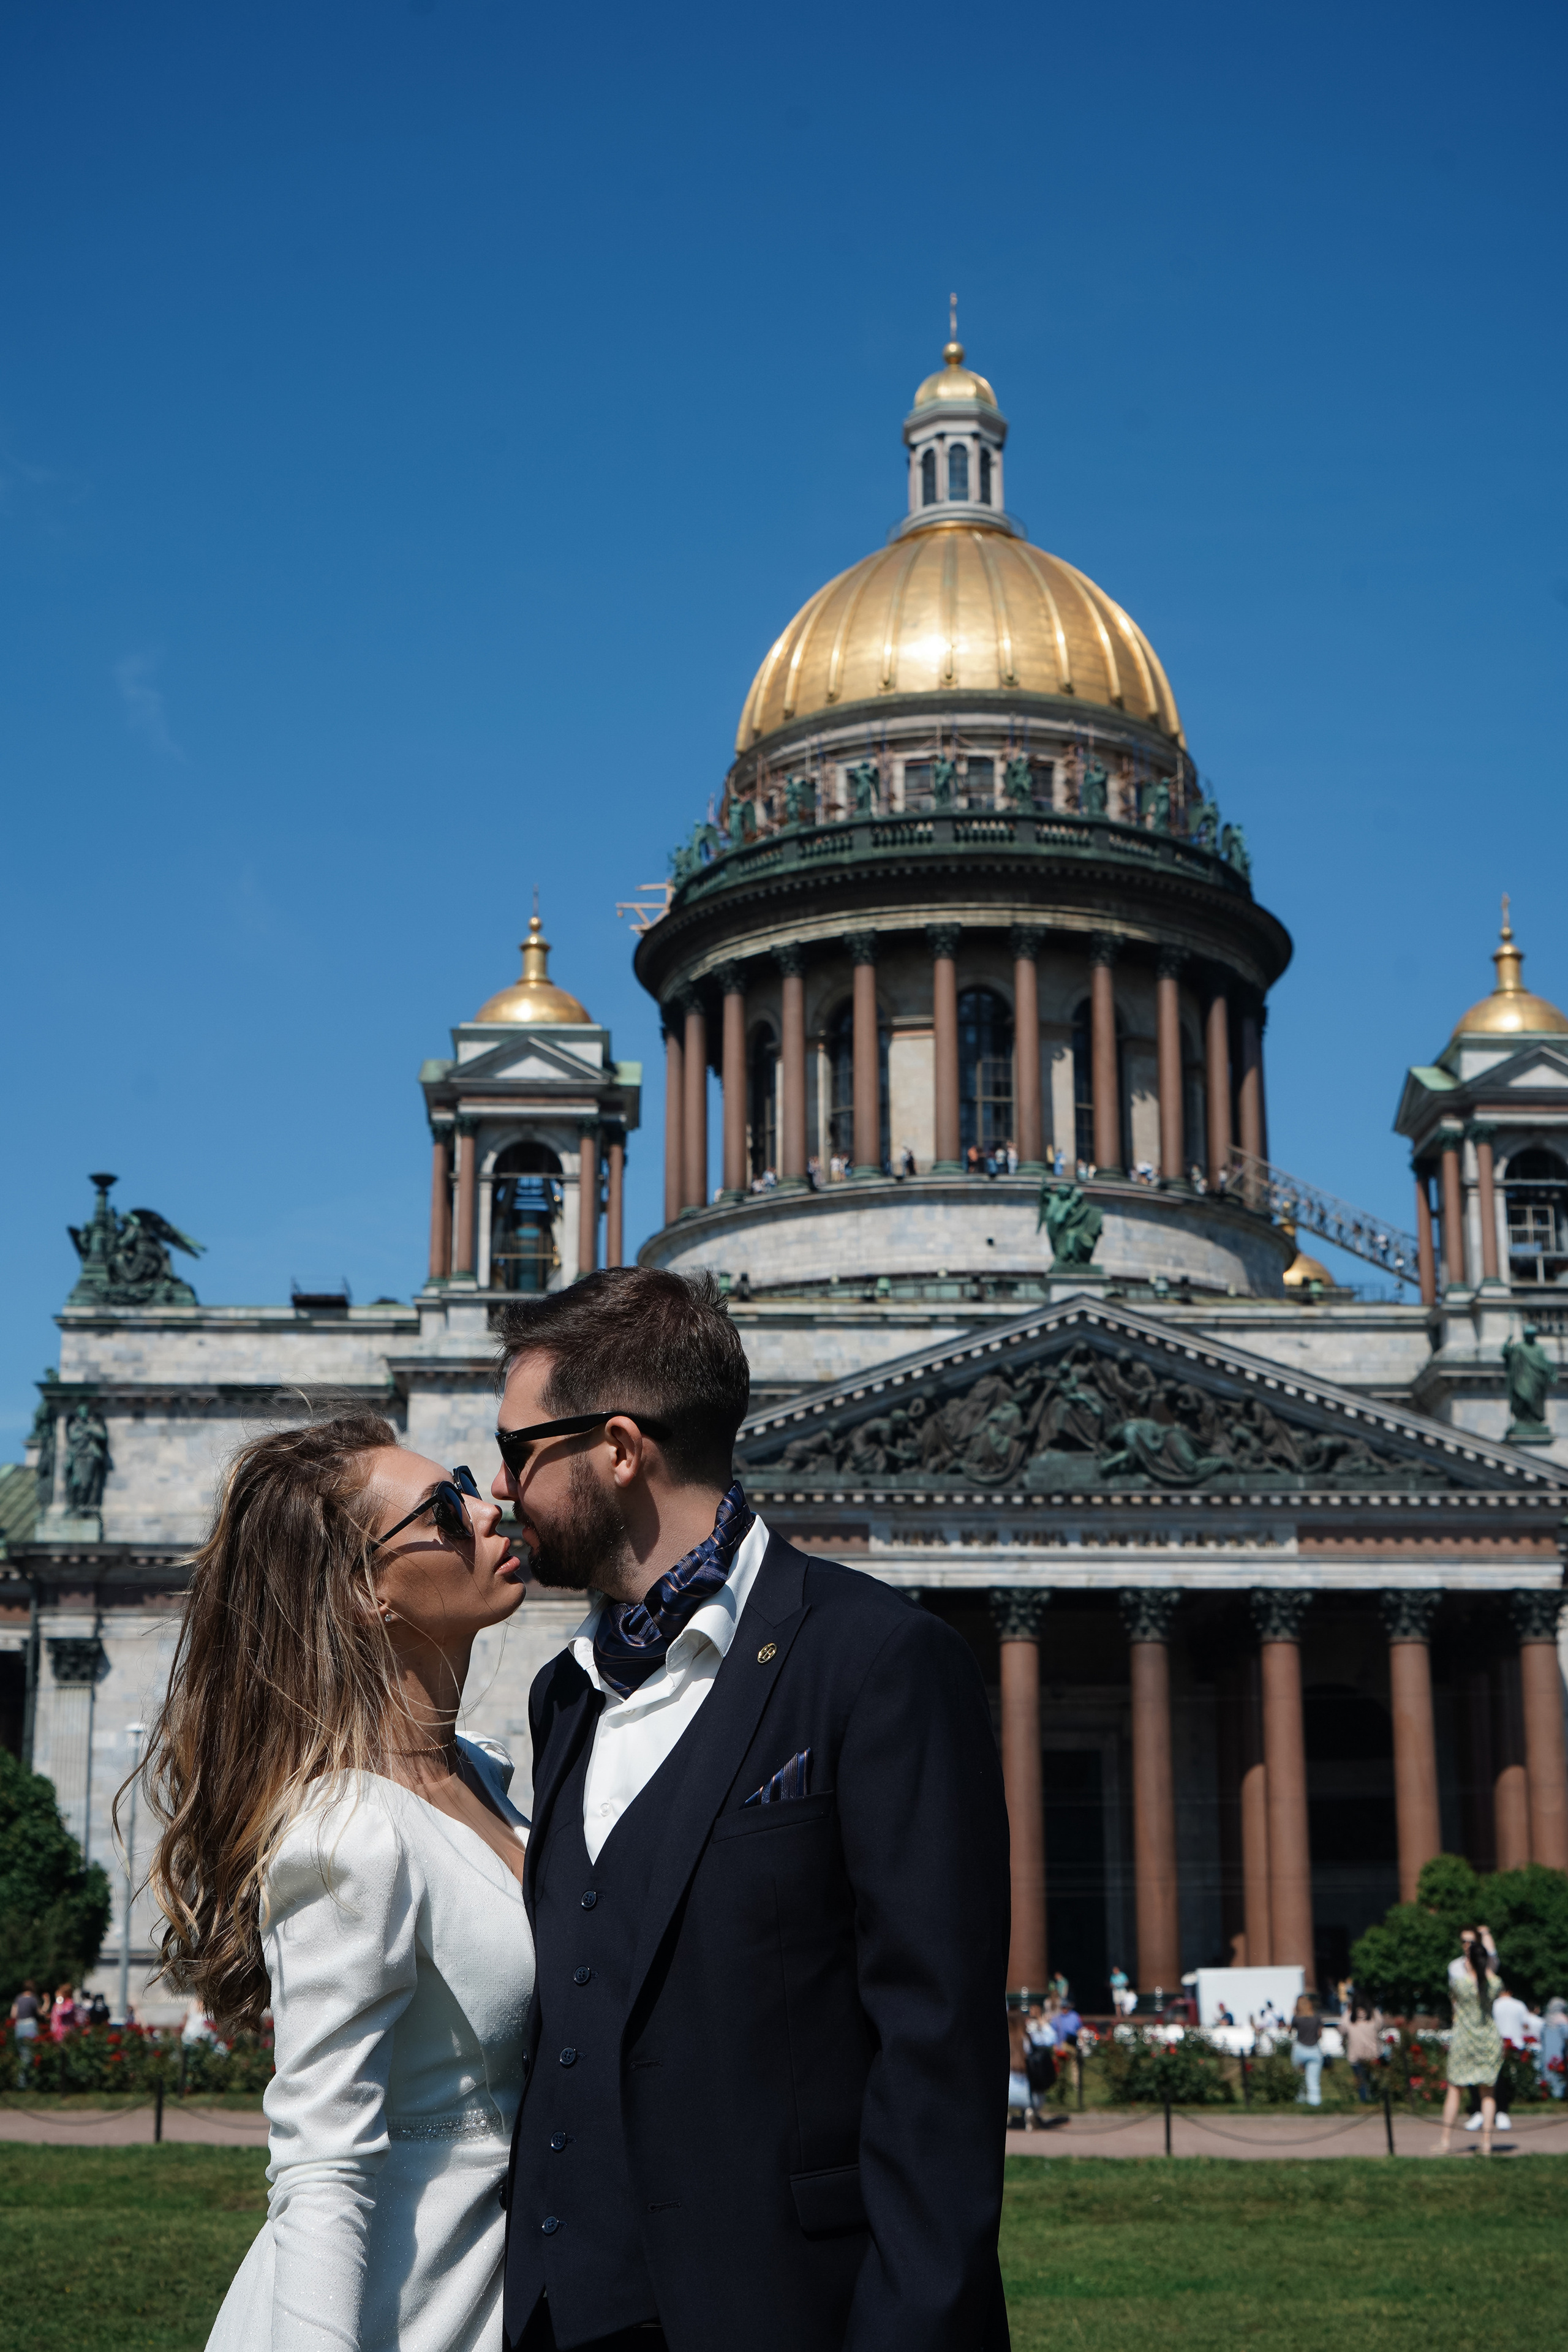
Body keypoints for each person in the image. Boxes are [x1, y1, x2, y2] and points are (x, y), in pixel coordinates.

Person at [491, 1266, 1011, 2352]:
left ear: (620, 1448)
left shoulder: (878, 1662)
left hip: (783, 2312)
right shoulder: (564, 1694)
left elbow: (937, 2054)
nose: (499, 1490)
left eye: (517, 1450)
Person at [138, 1411, 533, 2352]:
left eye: (468, 1483)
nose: (489, 1509)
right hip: (398, 2312)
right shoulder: (350, 1833)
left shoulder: (486, 1775)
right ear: (365, 1593)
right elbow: (321, 2168)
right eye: (445, 1512)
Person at [1439, 1926, 1504, 2155]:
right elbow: (1492, 1977)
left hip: (1464, 2038)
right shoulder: (1495, 1984)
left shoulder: (1460, 1984)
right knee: (1488, 2094)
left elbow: (1454, 2000)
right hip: (1488, 2039)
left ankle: (1445, 2141)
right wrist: (1485, 1966)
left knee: (1455, 2090)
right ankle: (1486, 2143)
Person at [1290, 1996, 1324, 2104]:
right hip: (1314, 2049)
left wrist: (1293, 2013)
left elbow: (1290, 2031)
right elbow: (1320, 2034)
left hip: (1300, 2048)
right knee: (1313, 2080)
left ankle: (1300, 2100)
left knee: (1299, 2080)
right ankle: (1315, 2102)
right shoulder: (1317, 2017)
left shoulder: (1297, 2018)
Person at [1345, 2003, 1381, 2103]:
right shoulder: (1374, 2014)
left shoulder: (1349, 2015)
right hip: (1372, 2053)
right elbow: (1380, 2026)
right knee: (1371, 2078)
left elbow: (1342, 2029)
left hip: (1355, 2053)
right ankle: (1374, 2098)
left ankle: (1364, 2100)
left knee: (1361, 2079)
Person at [1537, 1996, 1567, 2098]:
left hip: (1546, 2052)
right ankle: (1559, 2093)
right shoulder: (1562, 2020)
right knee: (1558, 2071)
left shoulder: (1546, 2020)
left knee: (1548, 2070)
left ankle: (1548, 2092)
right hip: (1559, 2051)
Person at [9, 1983, 39, 2081]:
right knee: (29, 2053)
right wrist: (47, 2002)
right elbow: (40, 2012)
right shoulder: (33, 1998)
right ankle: (27, 2080)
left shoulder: (18, 1998)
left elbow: (13, 2015)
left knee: (22, 2054)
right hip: (30, 2026)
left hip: (19, 2027)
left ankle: (21, 2080)